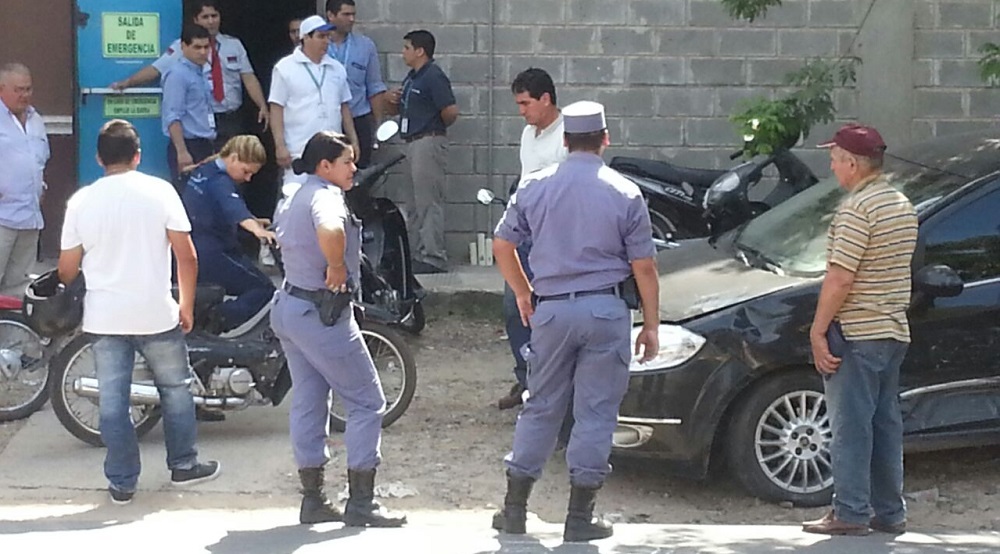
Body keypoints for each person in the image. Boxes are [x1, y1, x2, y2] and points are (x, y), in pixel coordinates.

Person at [490, 101, 660, 542]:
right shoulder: (626, 192)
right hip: (605, 310)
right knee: (596, 412)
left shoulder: (534, 186)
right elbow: (644, 267)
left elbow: (502, 245)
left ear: (564, 141)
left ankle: (514, 510)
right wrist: (651, 324)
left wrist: (523, 291)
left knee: (541, 404)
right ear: (605, 139)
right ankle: (580, 517)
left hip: (551, 310)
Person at [57, 119, 220, 506]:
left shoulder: (81, 202)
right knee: (175, 390)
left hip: (105, 317)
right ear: (137, 156)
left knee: (113, 401)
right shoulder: (160, 192)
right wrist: (186, 304)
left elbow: (66, 270)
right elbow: (187, 256)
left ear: (99, 158)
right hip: (156, 312)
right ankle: (183, 465)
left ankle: (122, 482)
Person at [270, 131, 405, 527]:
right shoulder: (325, 197)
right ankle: (362, 503)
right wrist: (336, 267)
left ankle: (313, 499)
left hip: (290, 306)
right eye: (347, 162)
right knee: (367, 401)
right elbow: (330, 229)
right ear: (325, 166)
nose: (353, 168)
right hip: (321, 313)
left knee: (310, 399)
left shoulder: (294, 194)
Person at [802, 124, 918, 536]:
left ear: (852, 163)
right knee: (885, 426)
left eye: (835, 160)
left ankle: (850, 511)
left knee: (850, 426)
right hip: (892, 329)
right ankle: (889, 511)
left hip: (856, 331)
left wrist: (818, 331)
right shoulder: (901, 204)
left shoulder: (857, 210)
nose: (832, 167)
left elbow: (840, 277)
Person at [497, 67, 568, 411]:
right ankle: (526, 379)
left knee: (551, 312)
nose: (521, 111)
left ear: (546, 99)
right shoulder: (529, 135)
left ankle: (552, 387)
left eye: (526, 103)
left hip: (555, 239)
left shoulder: (568, 136)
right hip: (525, 235)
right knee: (515, 308)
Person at [111, 0, 270, 146]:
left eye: (214, 16)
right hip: (201, 119)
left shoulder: (234, 45)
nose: (211, 21)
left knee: (233, 163)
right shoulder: (183, 46)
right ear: (196, 20)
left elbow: (248, 77)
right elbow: (156, 69)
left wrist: (261, 105)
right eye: (205, 17)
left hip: (230, 118)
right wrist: (128, 82)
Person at [181, 135, 276, 332]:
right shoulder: (220, 182)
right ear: (233, 158)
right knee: (263, 288)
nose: (247, 179)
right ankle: (214, 323)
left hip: (194, 246)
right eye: (246, 171)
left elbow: (217, 206)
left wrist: (254, 220)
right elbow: (234, 209)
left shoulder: (204, 170)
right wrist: (258, 231)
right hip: (213, 252)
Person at [385, 30, 458, 275]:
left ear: (420, 51)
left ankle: (433, 256)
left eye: (407, 48)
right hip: (411, 142)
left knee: (428, 201)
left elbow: (450, 111)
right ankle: (417, 253)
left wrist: (431, 127)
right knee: (413, 203)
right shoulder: (412, 78)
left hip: (428, 141)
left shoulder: (433, 76)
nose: (402, 53)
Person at [269, 15, 359, 187]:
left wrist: (353, 140)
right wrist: (280, 145)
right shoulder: (284, 68)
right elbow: (276, 108)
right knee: (296, 194)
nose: (326, 41)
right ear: (305, 38)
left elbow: (344, 107)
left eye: (328, 37)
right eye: (320, 36)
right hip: (299, 149)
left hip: (333, 151)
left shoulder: (337, 68)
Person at [0, 62, 47, 296]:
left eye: (28, 89)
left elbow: (40, 160)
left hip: (29, 217)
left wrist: (41, 186)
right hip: (2, 217)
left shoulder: (35, 119)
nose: (24, 95)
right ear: (1, 89)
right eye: (18, 90)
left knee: (18, 288)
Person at [325, 0, 387, 169]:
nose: (351, 19)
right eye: (346, 14)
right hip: (327, 119)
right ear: (331, 15)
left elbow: (374, 86)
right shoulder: (320, 45)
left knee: (359, 172)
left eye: (353, 15)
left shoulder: (365, 46)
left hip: (358, 117)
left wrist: (377, 125)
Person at [161, 23, 216, 185]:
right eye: (197, 47)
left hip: (205, 143)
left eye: (206, 47)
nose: (203, 52)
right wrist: (182, 151)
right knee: (189, 194)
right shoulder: (178, 75)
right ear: (183, 46)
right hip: (188, 145)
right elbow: (172, 116)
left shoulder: (201, 72)